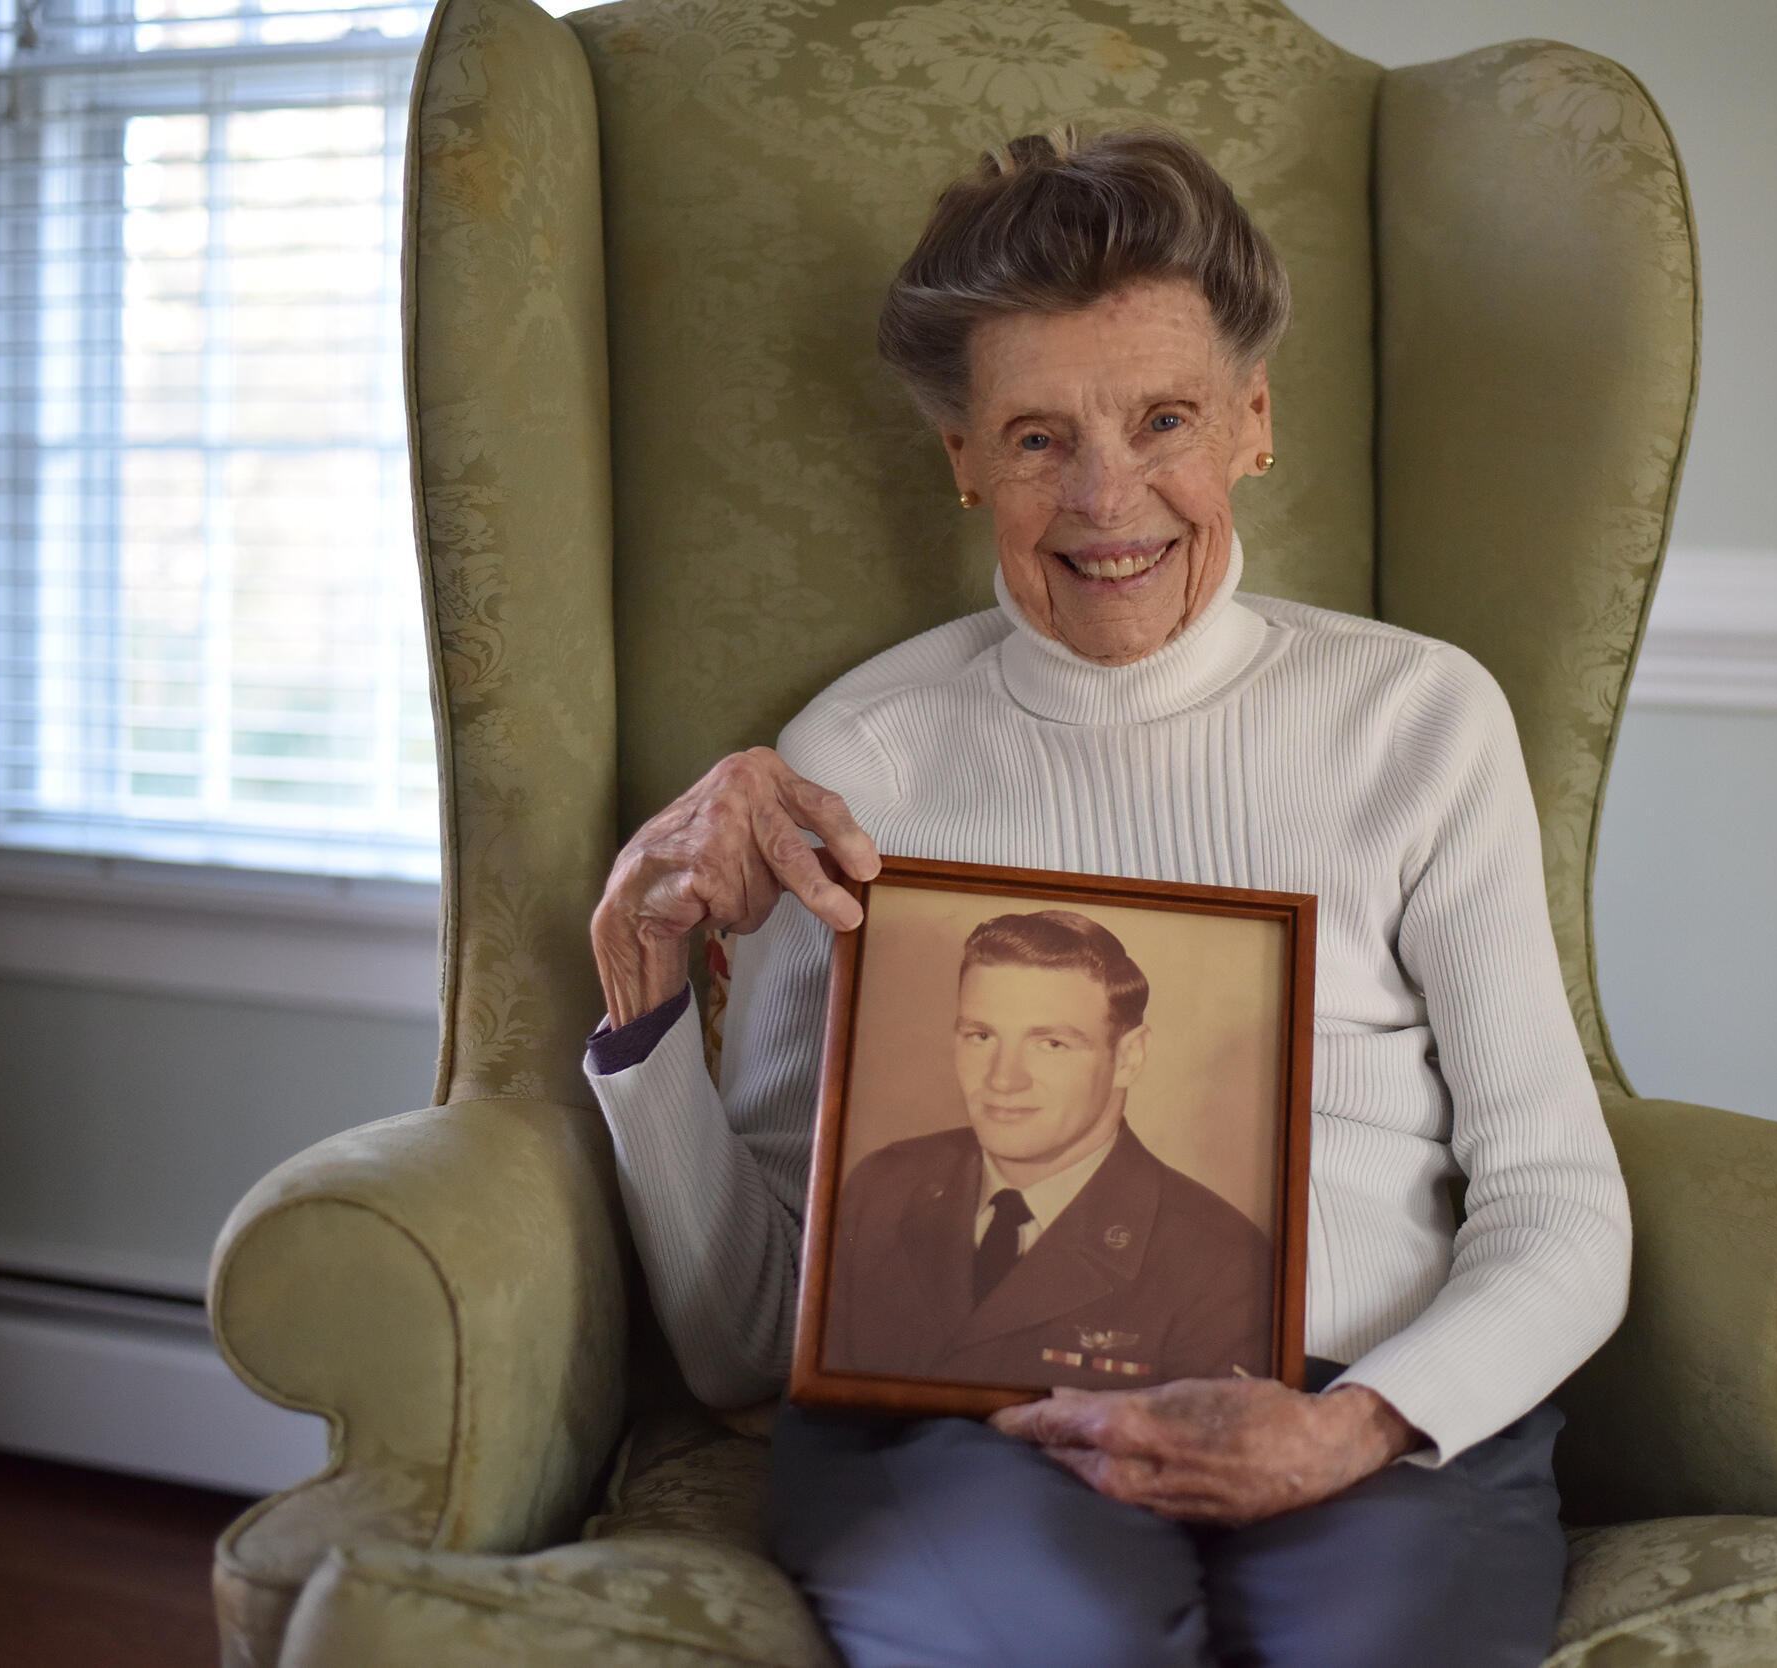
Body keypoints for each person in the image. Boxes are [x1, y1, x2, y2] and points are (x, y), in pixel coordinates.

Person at [584, 126, 1630, 1668]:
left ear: (1254, 422)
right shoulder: (853, 759)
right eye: (1035, 438)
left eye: (1163, 421)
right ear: (960, 458)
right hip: (959, 1428)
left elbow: (1559, 1201)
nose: (1107, 496)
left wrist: (1355, 1428)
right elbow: (747, 1324)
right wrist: (643, 981)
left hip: (1366, 1404)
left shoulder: (1419, 718)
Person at [823, 908, 1272, 1387]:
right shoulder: (882, 1188)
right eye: (981, 1036)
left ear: (1128, 1058)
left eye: (1051, 1044)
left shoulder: (1220, 1263)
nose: (1003, 1079)